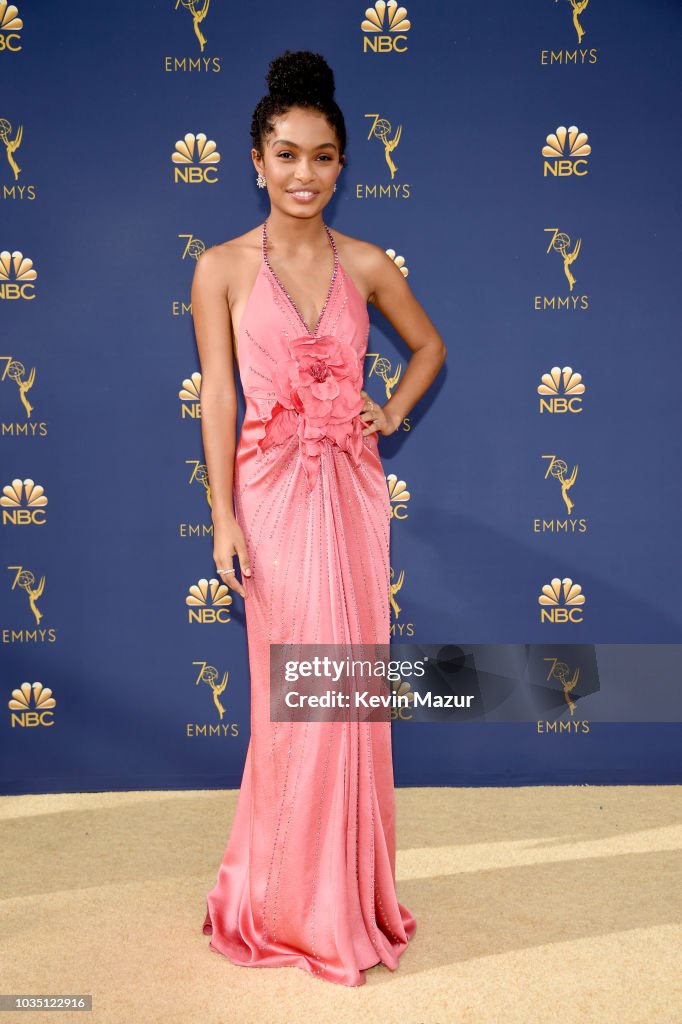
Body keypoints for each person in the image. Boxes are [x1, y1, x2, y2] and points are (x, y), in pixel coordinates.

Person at [191, 48, 446, 987]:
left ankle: (343, 893)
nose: (306, 174)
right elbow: (220, 395)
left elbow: (427, 349)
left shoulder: (368, 263)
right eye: (287, 154)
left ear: (345, 164)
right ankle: (280, 897)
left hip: (350, 489)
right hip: (268, 495)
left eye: (324, 156)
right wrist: (222, 513)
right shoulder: (218, 269)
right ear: (255, 159)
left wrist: (391, 410)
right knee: (291, 693)